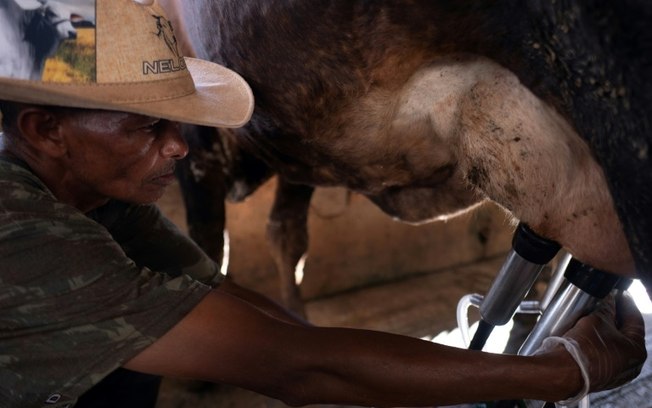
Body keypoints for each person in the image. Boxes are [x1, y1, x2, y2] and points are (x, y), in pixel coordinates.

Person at [0, 1, 646, 407]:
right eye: (146, 127)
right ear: (44, 131)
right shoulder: (20, 235)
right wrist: (564, 374)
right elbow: (299, 370)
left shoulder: (100, 200)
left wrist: (419, 374)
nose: (178, 150)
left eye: (176, 125)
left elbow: (257, 321)